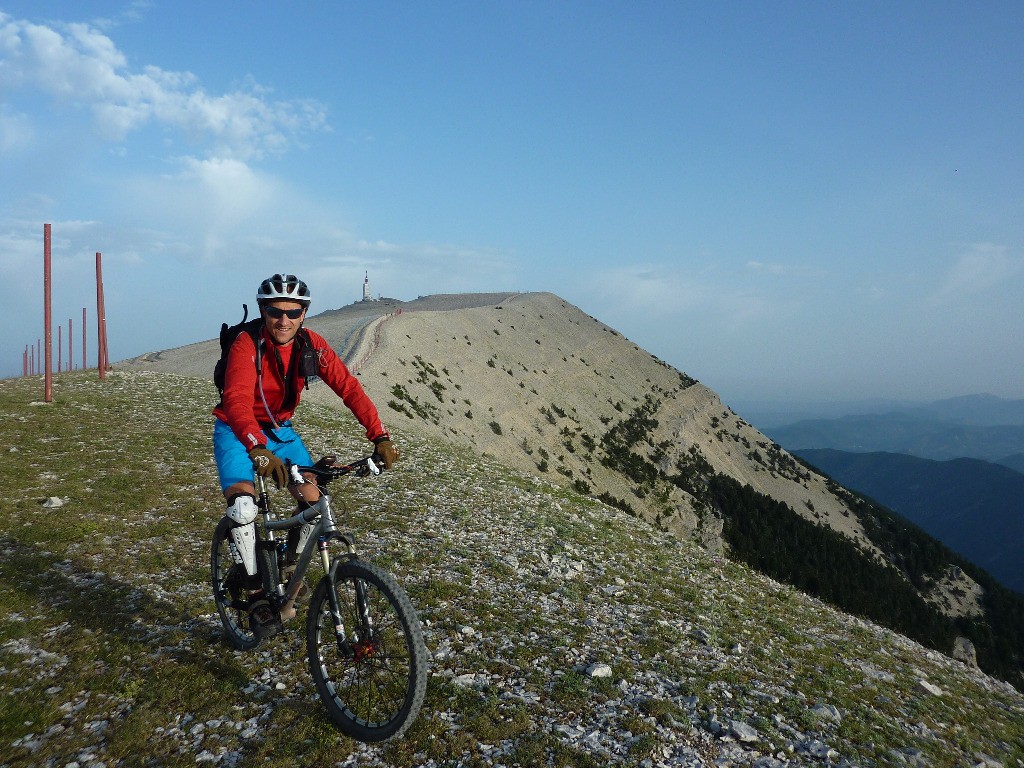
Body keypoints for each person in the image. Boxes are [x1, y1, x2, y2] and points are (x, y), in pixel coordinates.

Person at [213, 273, 398, 593]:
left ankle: (283, 566)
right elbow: (236, 401)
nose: (284, 320)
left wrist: (379, 436)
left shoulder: (312, 346)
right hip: (236, 430)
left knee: (314, 504)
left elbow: (349, 388)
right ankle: (253, 587)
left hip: (281, 432)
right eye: (275, 312)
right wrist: (256, 447)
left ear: (304, 313)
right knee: (243, 507)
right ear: (263, 311)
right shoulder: (247, 345)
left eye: (293, 312)